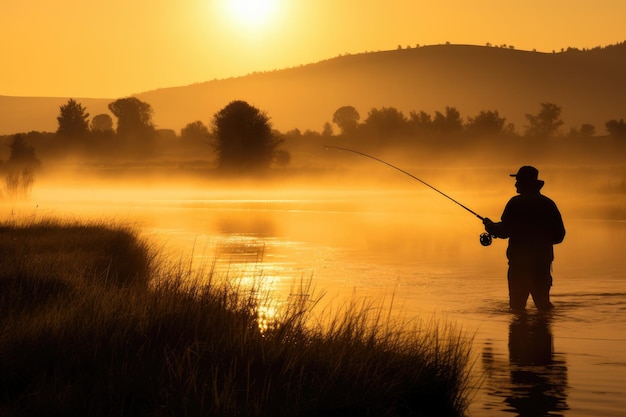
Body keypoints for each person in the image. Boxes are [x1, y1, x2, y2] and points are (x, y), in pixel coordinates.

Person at [483, 166, 565, 311]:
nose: (515, 184)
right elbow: (560, 236)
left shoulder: (515, 203)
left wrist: (490, 226)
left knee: (517, 308)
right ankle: (544, 332)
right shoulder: (548, 204)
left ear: (525, 182)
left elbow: (504, 231)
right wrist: (541, 241)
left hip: (519, 266)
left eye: (518, 180)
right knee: (544, 306)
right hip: (542, 264)